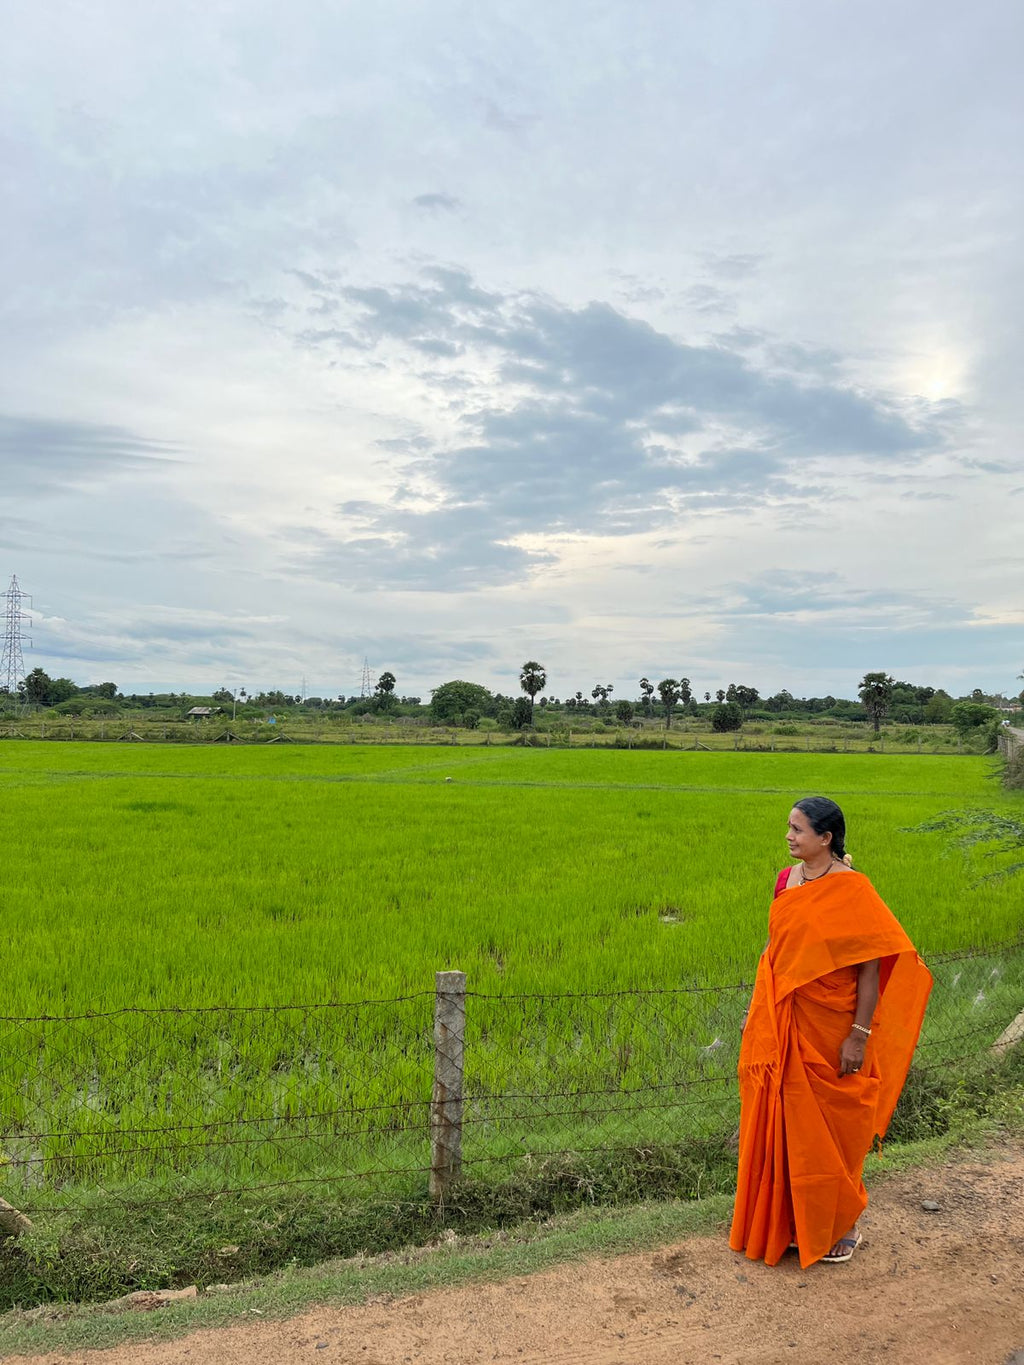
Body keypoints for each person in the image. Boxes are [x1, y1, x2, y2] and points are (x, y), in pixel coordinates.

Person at [729, 797, 932, 1268]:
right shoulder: (786, 881)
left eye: (797, 830)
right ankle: (789, 1219)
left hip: (835, 1023)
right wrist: (756, 1009)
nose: (788, 836)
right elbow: (775, 950)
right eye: (788, 827)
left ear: (826, 838)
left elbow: (869, 968)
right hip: (785, 1016)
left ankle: (843, 1222)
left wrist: (859, 1033)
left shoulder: (853, 889)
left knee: (838, 1124)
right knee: (785, 1120)